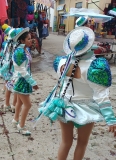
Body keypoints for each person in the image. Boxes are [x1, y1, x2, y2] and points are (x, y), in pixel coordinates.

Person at [37, 27, 116, 160]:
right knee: (82, 142)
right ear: (88, 46)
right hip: (86, 109)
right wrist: (110, 119)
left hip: (64, 105)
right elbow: (101, 96)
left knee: (66, 142)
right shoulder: (93, 67)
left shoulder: (62, 61)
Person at [11, 27, 39, 135]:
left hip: (22, 79)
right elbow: (21, 70)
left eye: (30, 38)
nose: (30, 40)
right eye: (28, 39)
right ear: (21, 40)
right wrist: (33, 82)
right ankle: (21, 126)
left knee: (19, 102)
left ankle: (15, 119)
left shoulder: (23, 49)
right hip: (21, 80)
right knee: (28, 105)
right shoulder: (19, 52)